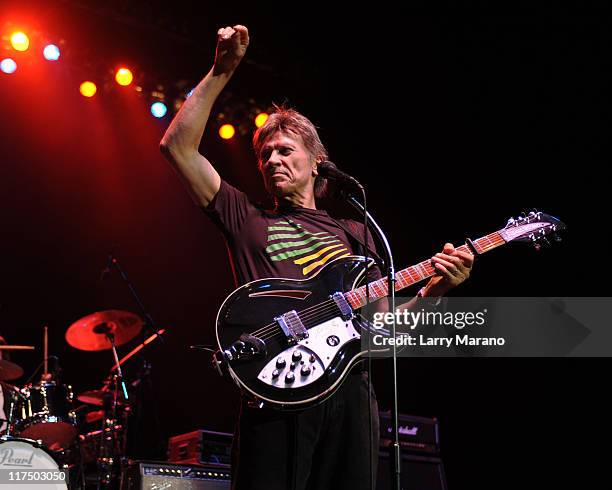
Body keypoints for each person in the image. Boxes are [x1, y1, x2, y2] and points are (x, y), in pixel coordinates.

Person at [160, 25, 473, 490]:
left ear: (316, 161)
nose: (271, 161)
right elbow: (177, 147)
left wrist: (437, 289)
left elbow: (383, 334)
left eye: (284, 150)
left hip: (350, 393)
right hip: (280, 384)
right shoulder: (246, 217)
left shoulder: (357, 232)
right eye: (264, 155)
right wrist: (220, 71)